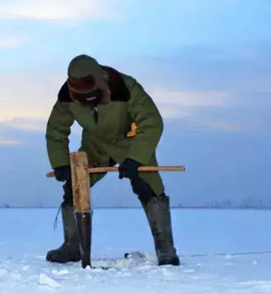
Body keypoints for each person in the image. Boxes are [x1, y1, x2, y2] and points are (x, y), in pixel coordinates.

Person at [44, 54, 179, 266]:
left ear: (103, 81)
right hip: (95, 145)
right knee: (75, 187)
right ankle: (72, 246)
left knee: (149, 188)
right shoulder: (66, 97)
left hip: (131, 142)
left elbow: (152, 121)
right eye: (82, 95)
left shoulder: (126, 87)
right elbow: (56, 130)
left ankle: (166, 250)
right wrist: (60, 162)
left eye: (93, 93)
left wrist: (136, 158)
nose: (88, 98)